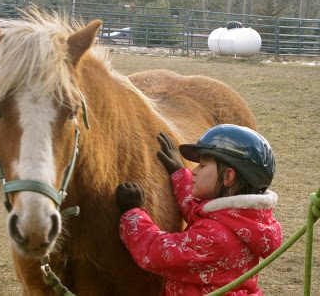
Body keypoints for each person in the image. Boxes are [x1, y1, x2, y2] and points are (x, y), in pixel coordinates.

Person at [116, 124, 282, 296]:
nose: (194, 171)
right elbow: (196, 209)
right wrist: (179, 173)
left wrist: (133, 214)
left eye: (202, 166)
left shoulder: (214, 237)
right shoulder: (242, 220)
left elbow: (157, 253)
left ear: (228, 176)